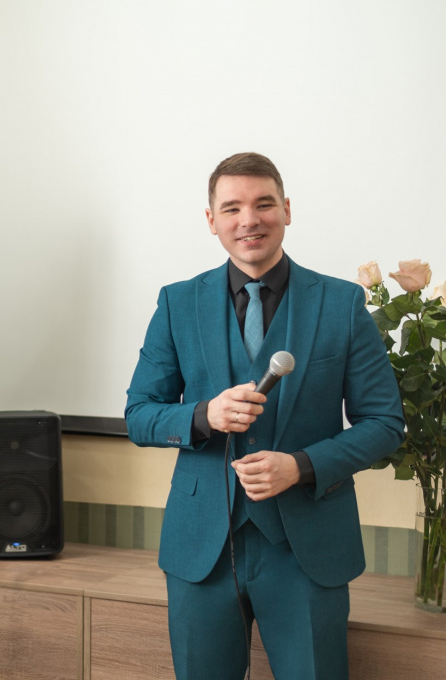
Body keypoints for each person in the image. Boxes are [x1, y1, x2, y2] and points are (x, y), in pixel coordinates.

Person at [125, 152, 404, 679]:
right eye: (232, 208)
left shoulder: (342, 304)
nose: (248, 220)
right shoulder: (178, 303)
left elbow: (385, 424)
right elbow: (139, 415)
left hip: (307, 550)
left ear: (287, 210)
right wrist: (204, 415)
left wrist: (300, 466)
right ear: (211, 220)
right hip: (202, 549)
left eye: (263, 204)